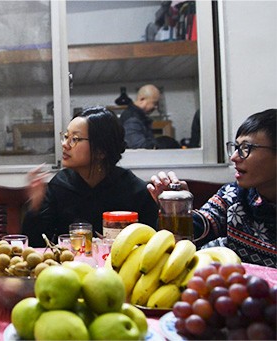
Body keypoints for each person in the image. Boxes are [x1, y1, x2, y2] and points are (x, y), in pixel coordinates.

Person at [147, 109, 276, 268]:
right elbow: (200, 229)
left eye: (246, 148)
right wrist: (177, 207)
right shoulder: (234, 195)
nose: (234, 157)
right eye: (236, 147)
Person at [21, 106, 159, 247]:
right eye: (66, 137)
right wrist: (35, 207)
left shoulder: (134, 190)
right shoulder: (60, 184)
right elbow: (35, 245)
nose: (64, 144)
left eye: (75, 139)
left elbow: (155, 244)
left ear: (100, 151)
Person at [119, 84, 161, 149]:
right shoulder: (132, 119)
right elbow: (138, 145)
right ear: (142, 99)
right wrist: (157, 145)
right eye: (154, 103)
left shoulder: (137, 116)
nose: (156, 107)